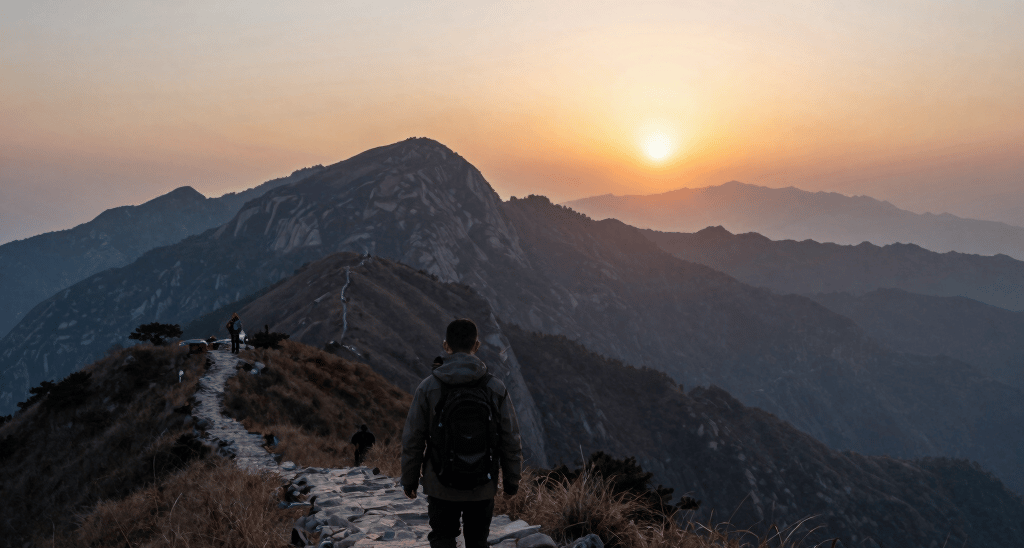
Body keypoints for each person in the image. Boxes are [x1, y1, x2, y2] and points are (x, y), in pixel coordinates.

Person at [401, 318, 523, 548]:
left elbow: (413, 439)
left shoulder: (428, 387)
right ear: (476, 346)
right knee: (478, 541)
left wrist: (409, 480)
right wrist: (511, 482)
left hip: (440, 482)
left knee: (442, 539)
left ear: (446, 346)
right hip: (482, 483)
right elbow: (510, 439)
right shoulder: (494, 388)